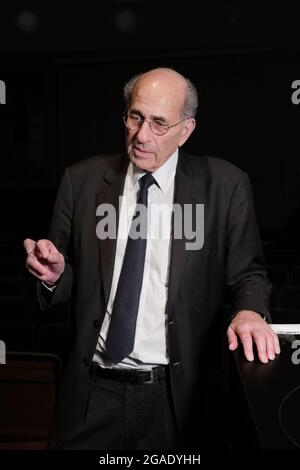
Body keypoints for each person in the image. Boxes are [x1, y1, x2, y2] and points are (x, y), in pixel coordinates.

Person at [24, 67, 280, 450]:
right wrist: (52, 276)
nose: (142, 135)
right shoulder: (81, 181)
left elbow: (249, 275)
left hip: (178, 402)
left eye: (159, 123)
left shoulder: (225, 185)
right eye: (135, 117)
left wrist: (249, 312)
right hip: (91, 397)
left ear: (186, 130)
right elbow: (62, 282)